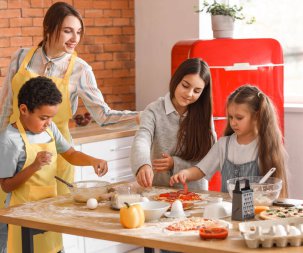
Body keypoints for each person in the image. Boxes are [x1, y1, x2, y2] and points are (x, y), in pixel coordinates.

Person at [0, 1, 137, 197]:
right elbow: (5, 108)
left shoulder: (81, 69)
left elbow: (103, 116)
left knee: (53, 219)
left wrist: (143, 117)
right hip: (14, 154)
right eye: (68, 31)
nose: (75, 39)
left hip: (57, 156)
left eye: (79, 32)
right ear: (48, 28)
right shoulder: (21, 57)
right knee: (12, 219)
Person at [0, 77, 108, 253]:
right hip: (22, 216)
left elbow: (71, 154)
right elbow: (6, 186)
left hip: (48, 211)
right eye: (43, 117)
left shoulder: (50, 129)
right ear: (24, 109)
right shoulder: (9, 140)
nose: (48, 122)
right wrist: (34, 166)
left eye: (51, 117)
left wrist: (92, 161)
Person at [170, 85, 288, 197]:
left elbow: (270, 190)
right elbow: (201, 169)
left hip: (256, 210)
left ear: (256, 116)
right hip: (226, 211)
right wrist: (185, 173)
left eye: (239, 118)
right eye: (230, 117)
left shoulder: (265, 146)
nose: (233, 123)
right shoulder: (223, 144)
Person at [131, 58, 216, 190]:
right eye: (185, 86)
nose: (189, 94)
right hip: (160, 192)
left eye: (197, 91)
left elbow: (210, 159)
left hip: (197, 194)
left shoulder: (204, 115)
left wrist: (175, 164)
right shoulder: (154, 110)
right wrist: (143, 164)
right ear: (176, 80)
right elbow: (142, 138)